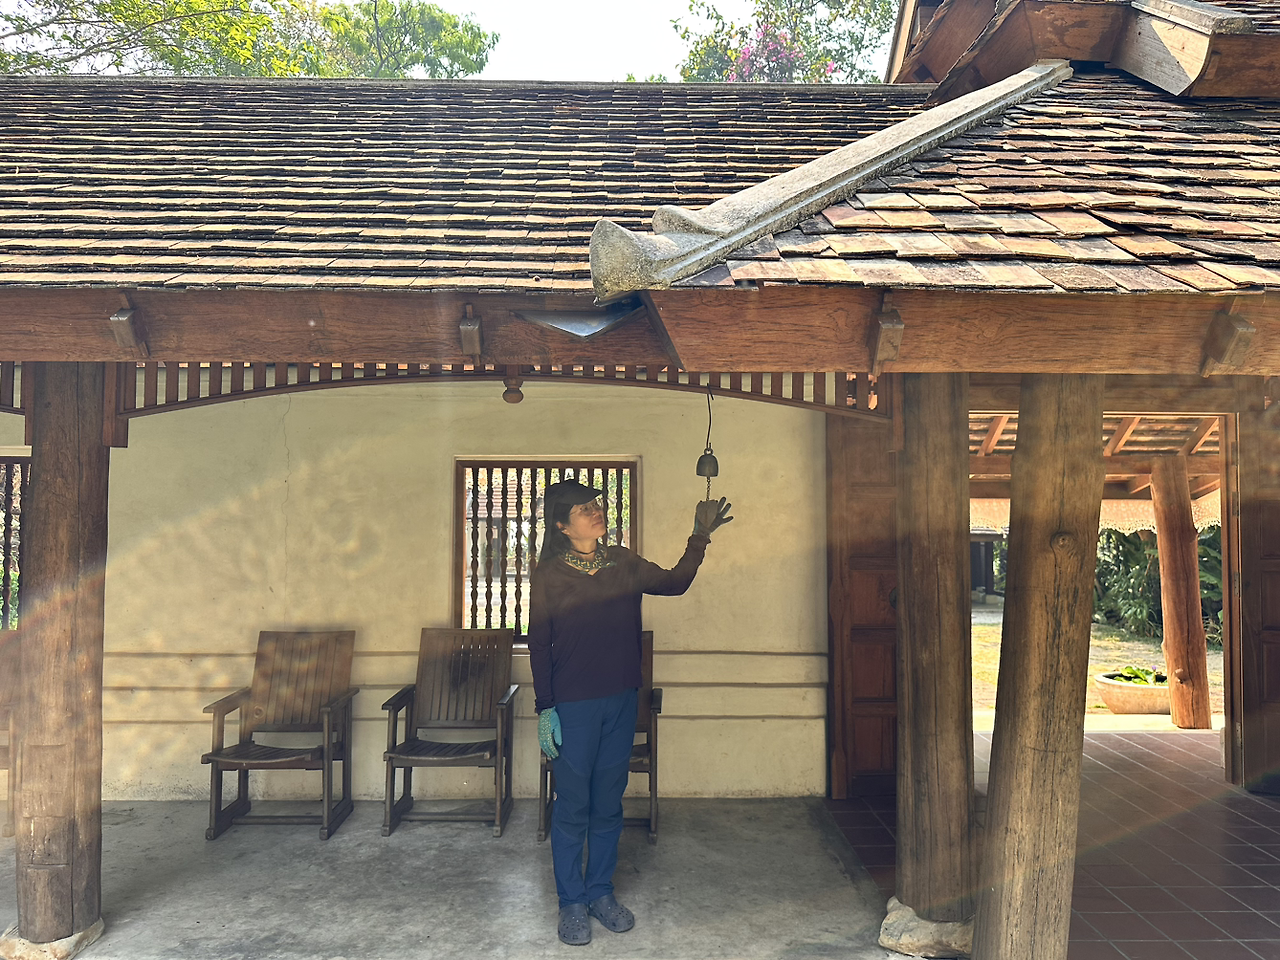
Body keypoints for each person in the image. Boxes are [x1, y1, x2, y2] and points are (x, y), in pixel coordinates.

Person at [528, 479, 732, 946]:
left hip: (621, 700)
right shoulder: (549, 576)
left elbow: (675, 583)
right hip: (573, 707)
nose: (595, 511)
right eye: (582, 509)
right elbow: (539, 644)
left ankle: (600, 892)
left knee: (608, 802)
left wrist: (699, 536)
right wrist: (546, 708)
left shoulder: (623, 562)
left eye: (595, 504)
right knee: (573, 806)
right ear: (561, 526)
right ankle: (571, 902)